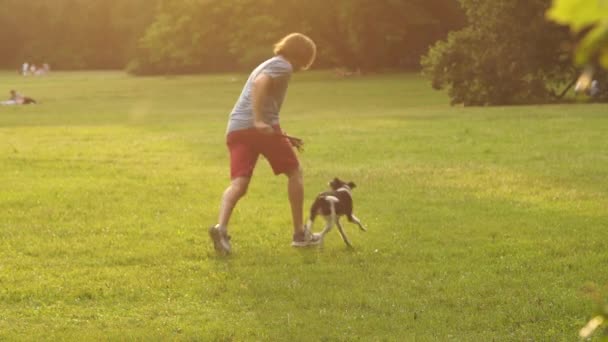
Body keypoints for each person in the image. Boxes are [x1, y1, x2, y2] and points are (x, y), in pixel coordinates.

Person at [208, 33, 319, 255]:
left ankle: (221, 228)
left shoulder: (268, 63)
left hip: (236, 128)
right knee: (295, 173)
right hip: (257, 128)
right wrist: (259, 120)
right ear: (303, 55)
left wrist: (283, 135)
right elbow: (260, 85)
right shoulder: (283, 66)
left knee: (239, 184)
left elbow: (263, 100)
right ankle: (299, 234)